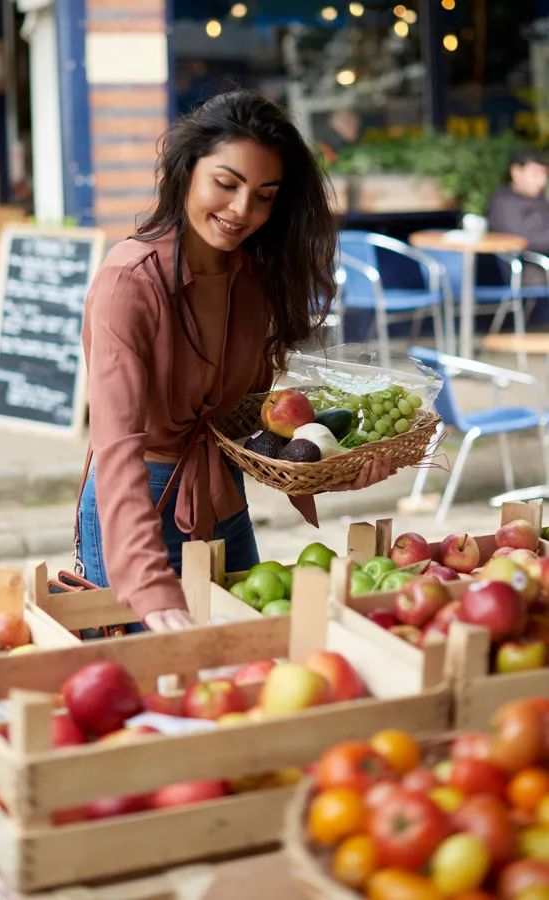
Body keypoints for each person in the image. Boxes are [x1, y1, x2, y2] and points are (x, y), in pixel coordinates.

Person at [76, 90, 393, 634]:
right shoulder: (130, 281)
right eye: (226, 184)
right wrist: (148, 583)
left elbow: (244, 424)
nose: (243, 210)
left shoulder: (252, 280)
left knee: (243, 667)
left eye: (265, 195)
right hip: (138, 510)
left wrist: (323, 466)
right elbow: (117, 447)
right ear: (185, 172)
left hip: (224, 499)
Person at [488, 148, 549, 282]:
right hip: (526, 268)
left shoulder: (540, 199)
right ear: (516, 172)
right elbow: (520, 240)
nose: (541, 182)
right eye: (534, 174)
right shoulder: (504, 202)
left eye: (544, 175)